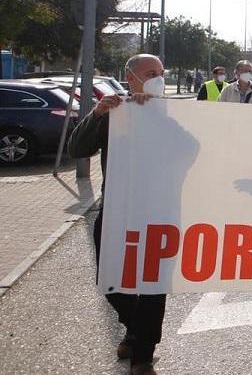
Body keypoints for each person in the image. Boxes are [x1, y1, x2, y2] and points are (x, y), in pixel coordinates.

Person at [68, 54, 167, 374]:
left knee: (152, 285)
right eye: (151, 73)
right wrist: (97, 114)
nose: (158, 77)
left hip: (160, 210)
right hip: (117, 209)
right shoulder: (116, 111)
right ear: (131, 78)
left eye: (161, 73)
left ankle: (142, 355)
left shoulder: (173, 111)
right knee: (111, 278)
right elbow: (78, 149)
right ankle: (136, 328)